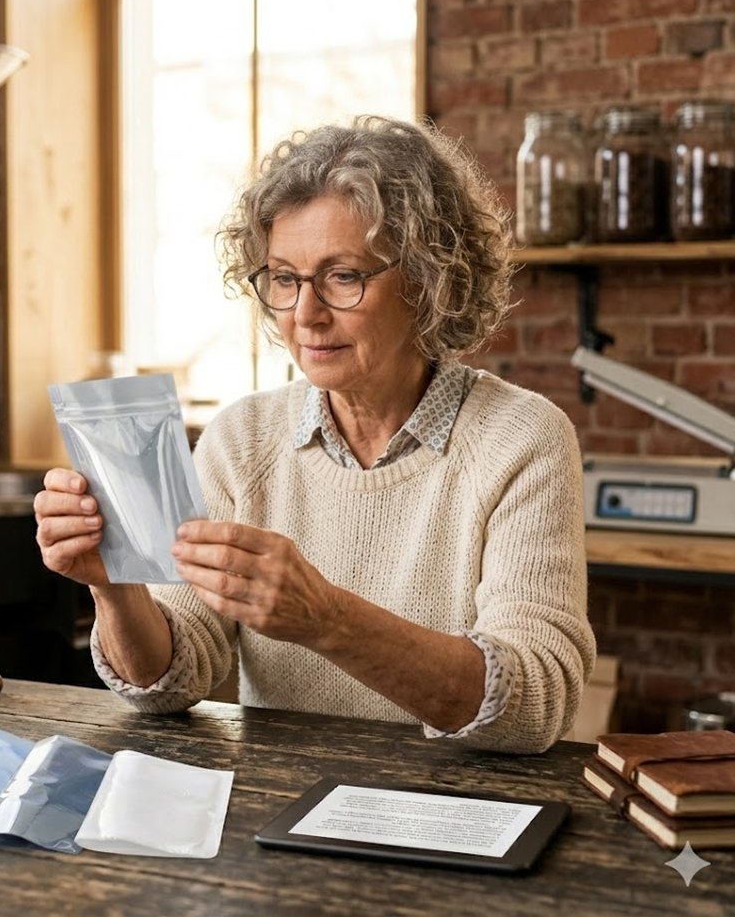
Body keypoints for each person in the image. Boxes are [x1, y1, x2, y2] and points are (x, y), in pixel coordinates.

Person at [35, 116, 595, 754]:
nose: (305, 314)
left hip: (466, 821)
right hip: (283, 814)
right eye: (284, 278)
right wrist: (113, 585)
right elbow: (169, 679)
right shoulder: (242, 439)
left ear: (429, 279)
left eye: (343, 276)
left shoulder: (522, 440)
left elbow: (533, 707)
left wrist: (327, 619)